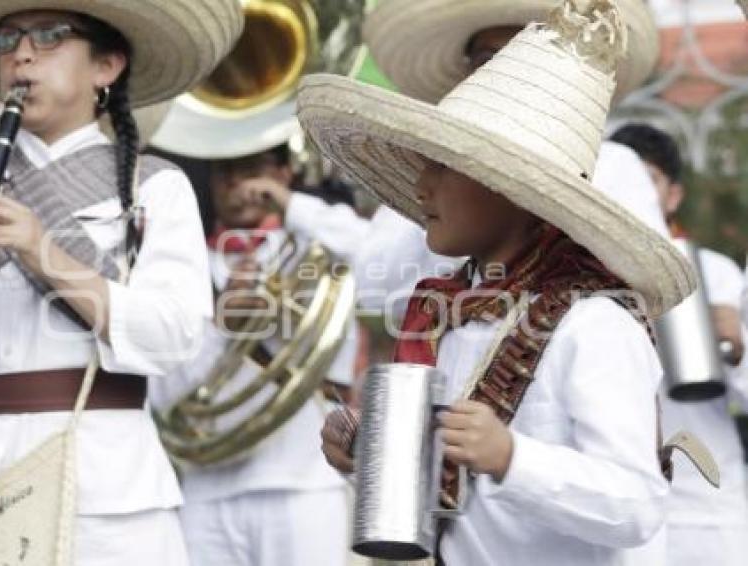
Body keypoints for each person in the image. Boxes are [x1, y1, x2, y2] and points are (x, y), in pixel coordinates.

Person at [300, 1, 697, 564]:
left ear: (512, 187)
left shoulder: (595, 325)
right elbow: (458, 498)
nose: (422, 184)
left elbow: (637, 505)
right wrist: (369, 452)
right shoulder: (449, 314)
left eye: (444, 164)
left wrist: (513, 457)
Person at [0, 1, 242, 564]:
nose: (22, 54)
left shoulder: (155, 187)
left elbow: (174, 335)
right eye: (5, 40)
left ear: (106, 66)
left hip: (106, 491)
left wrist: (42, 251)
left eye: (50, 36)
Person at [354, 0, 668, 321]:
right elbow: (372, 287)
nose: (504, 71)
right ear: (467, 70)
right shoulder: (433, 170)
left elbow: (640, 291)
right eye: (489, 59)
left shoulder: (615, 164)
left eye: (525, 54)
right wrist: (452, 185)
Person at [149, 134, 368, 566]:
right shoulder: (180, 261)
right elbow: (160, 396)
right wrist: (219, 328)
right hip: (207, 490)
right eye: (224, 170)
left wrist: (290, 203)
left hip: (307, 482)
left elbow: (379, 247)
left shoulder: (317, 243)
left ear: (284, 171)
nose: (237, 182)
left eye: (254, 166)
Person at [612, 122, 748, 566]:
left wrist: (736, 344)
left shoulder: (716, 272)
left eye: (647, 179)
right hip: (620, 513)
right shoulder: (580, 278)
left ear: (673, 195)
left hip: (707, 512)